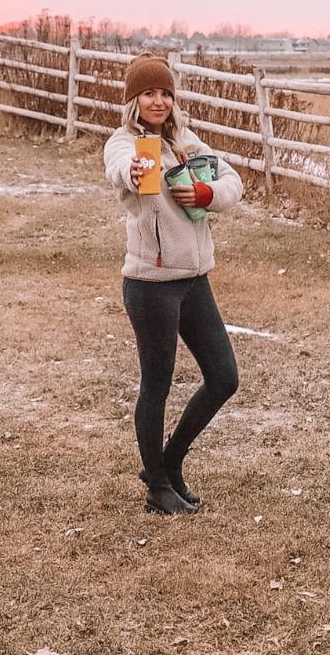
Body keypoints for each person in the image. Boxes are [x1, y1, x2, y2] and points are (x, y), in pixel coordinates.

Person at [103, 53, 244, 515]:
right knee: (157, 383)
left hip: (193, 280)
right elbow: (121, 168)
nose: (158, 101)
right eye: (148, 93)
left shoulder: (183, 140)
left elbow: (233, 181)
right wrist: (137, 171)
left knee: (223, 376)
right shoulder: (125, 143)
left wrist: (208, 194)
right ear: (133, 100)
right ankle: (158, 488)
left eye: (164, 92)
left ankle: (170, 459)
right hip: (150, 284)